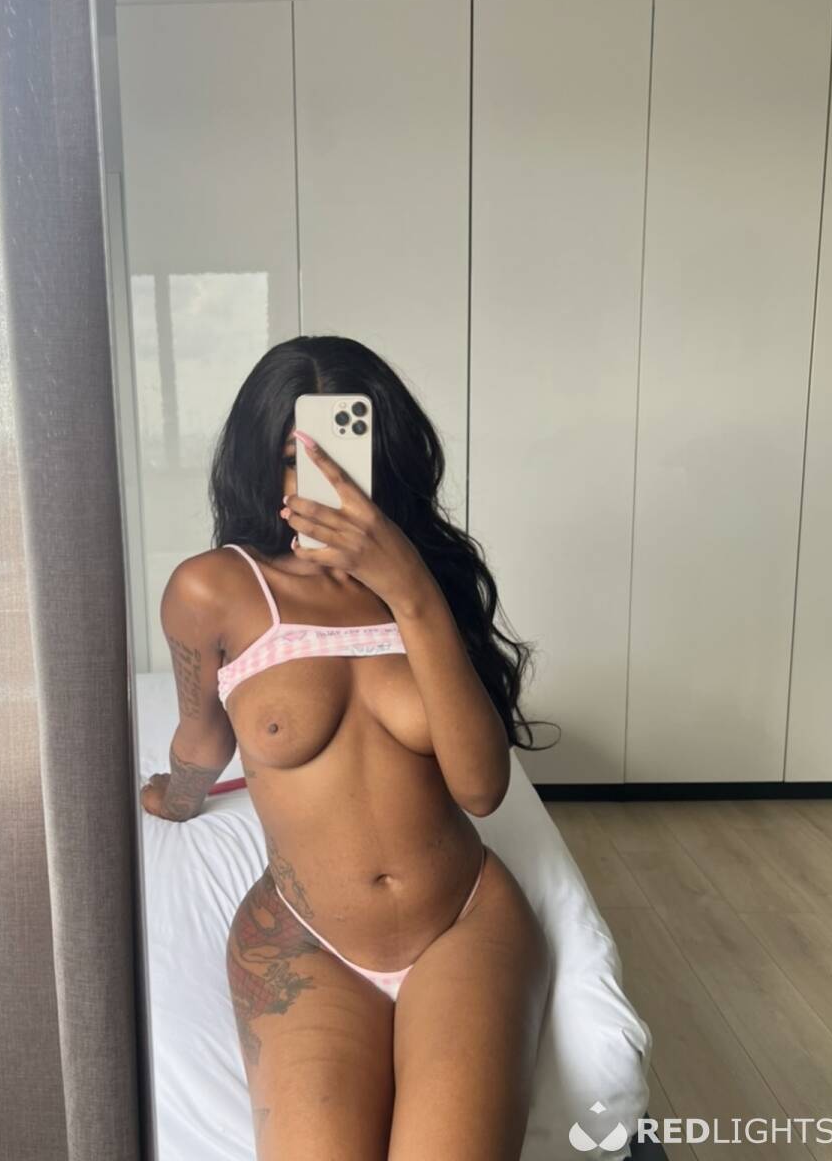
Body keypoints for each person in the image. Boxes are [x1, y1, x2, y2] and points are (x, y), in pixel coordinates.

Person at [141, 336, 554, 1160]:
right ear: (260, 463)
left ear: (385, 456)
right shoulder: (213, 588)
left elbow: (480, 789)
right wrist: (175, 797)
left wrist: (409, 589)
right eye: (294, 458)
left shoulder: (427, 579)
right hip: (303, 938)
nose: (318, 482)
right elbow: (203, 735)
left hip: (463, 921)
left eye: (344, 453)